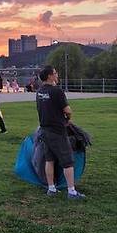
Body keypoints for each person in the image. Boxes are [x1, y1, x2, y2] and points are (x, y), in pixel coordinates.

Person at [36, 65, 86, 200]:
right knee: (68, 161)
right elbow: (68, 110)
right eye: (55, 73)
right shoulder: (57, 91)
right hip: (57, 131)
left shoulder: (39, 92)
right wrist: (68, 119)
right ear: (49, 76)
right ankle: (71, 192)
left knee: (49, 159)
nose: (57, 75)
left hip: (44, 130)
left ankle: (51, 189)